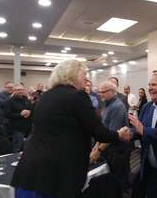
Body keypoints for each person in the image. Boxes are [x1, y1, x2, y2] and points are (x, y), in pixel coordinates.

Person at [11, 59, 131, 198]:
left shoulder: (45, 96)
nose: (87, 79)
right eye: (84, 74)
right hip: (57, 175)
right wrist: (119, 134)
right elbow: (99, 133)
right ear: (71, 75)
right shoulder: (77, 96)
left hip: (29, 171)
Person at [90, 80, 130, 189]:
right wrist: (96, 147)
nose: (100, 94)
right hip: (109, 149)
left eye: (103, 92)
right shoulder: (108, 105)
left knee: (117, 181)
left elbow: (112, 135)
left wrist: (98, 151)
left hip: (117, 150)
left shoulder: (117, 107)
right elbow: (104, 129)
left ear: (113, 92)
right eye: (99, 92)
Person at [4, 84, 33, 152]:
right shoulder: (9, 101)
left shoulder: (26, 99)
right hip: (17, 129)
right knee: (17, 148)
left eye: (22, 89)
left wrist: (29, 112)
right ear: (14, 91)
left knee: (28, 148)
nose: (20, 91)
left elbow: (31, 108)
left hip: (28, 128)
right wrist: (20, 114)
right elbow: (7, 115)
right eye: (18, 90)